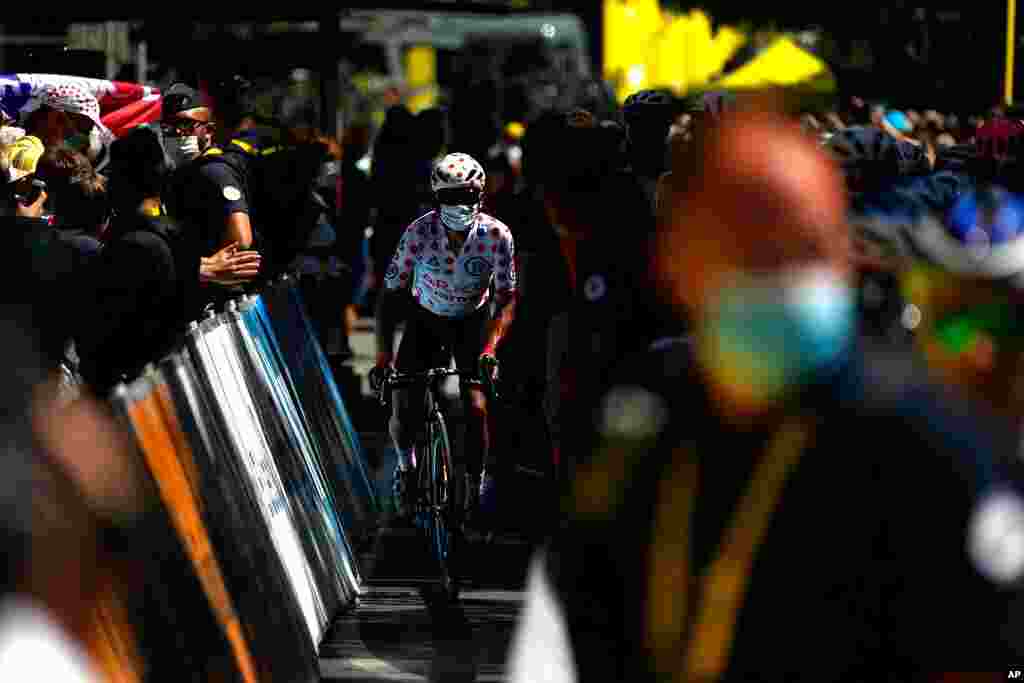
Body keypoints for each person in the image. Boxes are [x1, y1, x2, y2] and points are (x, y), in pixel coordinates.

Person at [508, 105, 1024, 682]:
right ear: (676, 259)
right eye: (751, 248)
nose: (779, 277)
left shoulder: (923, 444)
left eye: (802, 248)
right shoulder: (633, 438)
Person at [372, 152, 517, 532]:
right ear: (437, 198)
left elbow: (507, 299)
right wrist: (384, 353)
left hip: (473, 321)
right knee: (404, 405)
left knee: (476, 404)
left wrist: (490, 350)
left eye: (467, 195)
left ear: (480, 194)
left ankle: (475, 483)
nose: (459, 205)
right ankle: (406, 468)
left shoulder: (497, 235)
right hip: (425, 319)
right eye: (450, 197)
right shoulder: (419, 233)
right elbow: (390, 294)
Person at [76, 126, 261, 396]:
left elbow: (123, 310)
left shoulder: (140, 241)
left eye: (114, 174)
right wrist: (201, 269)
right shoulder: (167, 235)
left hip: (134, 384)